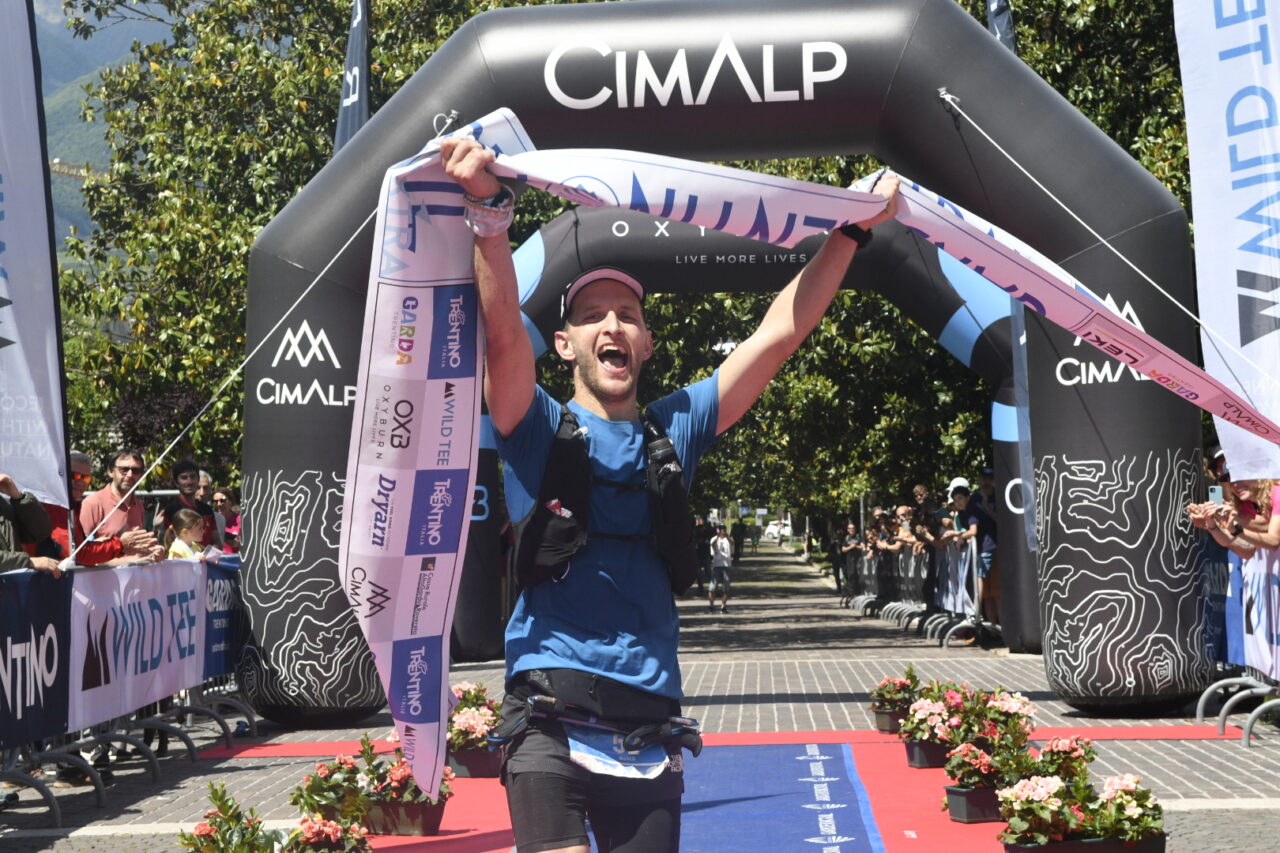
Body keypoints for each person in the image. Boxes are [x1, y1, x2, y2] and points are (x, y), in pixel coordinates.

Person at [440, 134, 901, 853]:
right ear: (564, 344)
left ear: (647, 342)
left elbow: (778, 334)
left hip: (649, 727)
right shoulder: (531, 426)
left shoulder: (673, 430)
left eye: (626, 314)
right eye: (593, 315)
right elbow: (502, 335)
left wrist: (849, 231)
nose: (612, 325)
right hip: (548, 722)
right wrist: (487, 214)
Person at [77, 449, 155, 557]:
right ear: (110, 471)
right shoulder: (92, 503)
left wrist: (153, 551)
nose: (130, 475)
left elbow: (137, 548)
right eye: (124, 469)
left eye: (136, 471)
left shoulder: (138, 504)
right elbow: (81, 552)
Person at [0, 473, 60, 576]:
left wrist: (18, 497)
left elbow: (40, 531)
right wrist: (28, 561)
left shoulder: (3, 505)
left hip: (11, 588)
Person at [154, 459, 220, 549]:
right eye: (184, 478)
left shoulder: (207, 509)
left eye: (192, 477)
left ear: (198, 479)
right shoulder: (171, 510)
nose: (189, 482)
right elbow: (168, 543)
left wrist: (209, 555)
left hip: (207, 561)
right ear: (177, 482)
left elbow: (217, 541)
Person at [708, 525, 733, 614]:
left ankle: (723, 606)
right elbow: (713, 546)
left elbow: (732, 545)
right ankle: (711, 605)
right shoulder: (714, 539)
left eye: (724, 530)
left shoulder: (729, 539)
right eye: (720, 530)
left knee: (726, 588)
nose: (722, 531)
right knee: (712, 587)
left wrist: (727, 537)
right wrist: (718, 536)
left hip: (726, 565)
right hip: (716, 565)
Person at [213, 488, 241, 554]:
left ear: (230, 502)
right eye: (215, 501)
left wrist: (238, 544)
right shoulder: (211, 521)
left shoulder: (242, 521)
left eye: (222, 500)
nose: (218, 504)